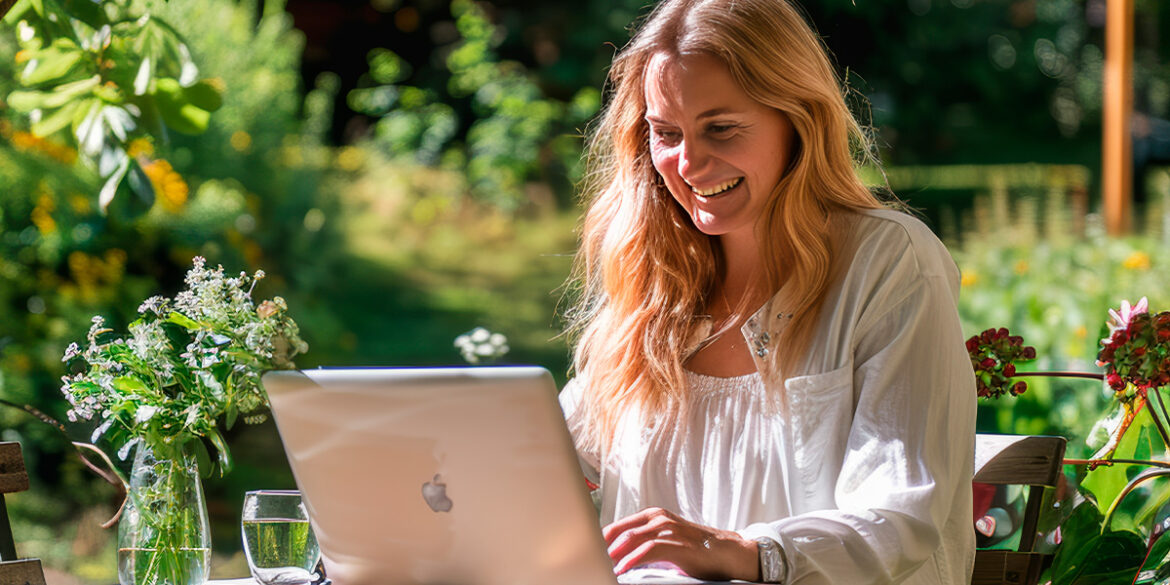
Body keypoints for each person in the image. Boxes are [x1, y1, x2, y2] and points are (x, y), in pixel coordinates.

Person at [558, 0, 977, 583]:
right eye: (666, 133)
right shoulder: (654, 286)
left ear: (799, 119)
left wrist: (742, 551)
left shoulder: (889, 263)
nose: (688, 162)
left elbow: (899, 516)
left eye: (721, 129)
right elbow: (543, 458)